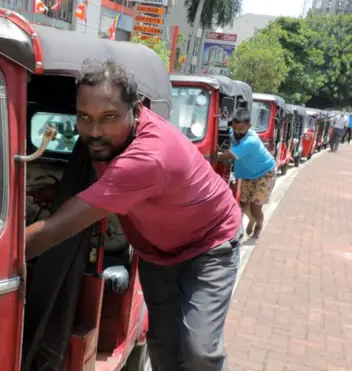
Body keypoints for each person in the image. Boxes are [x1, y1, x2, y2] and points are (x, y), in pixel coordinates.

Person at [25, 59, 242, 371]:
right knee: (163, 347)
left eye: (109, 117)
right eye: (85, 117)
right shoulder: (107, 141)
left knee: (200, 353)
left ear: (137, 111)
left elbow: (55, 230)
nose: (95, 132)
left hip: (211, 244)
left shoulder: (148, 158)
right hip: (157, 251)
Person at [217, 109, 277, 239]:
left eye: (241, 129)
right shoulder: (232, 133)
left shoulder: (251, 141)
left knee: (256, 207)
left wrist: (210, 155)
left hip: (265, 172)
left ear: (249, 126)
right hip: (246, 173)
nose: (238, 132)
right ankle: (251, 220)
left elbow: (227, 155)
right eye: (235, 128)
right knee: (243, 205)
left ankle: (259, 225)